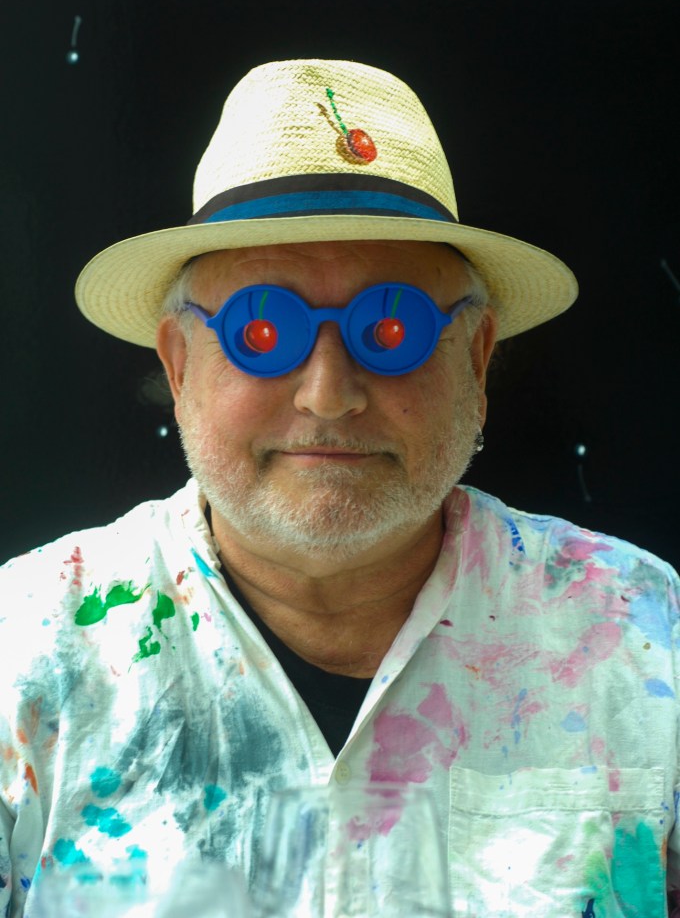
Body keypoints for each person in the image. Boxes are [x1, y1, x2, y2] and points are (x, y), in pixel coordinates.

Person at [1, 58, 678, 917]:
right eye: (262, 330)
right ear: (178, 364)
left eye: (390, 327)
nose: (328, 393)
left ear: (476, 361)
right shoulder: (24, 652)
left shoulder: (645, 640)